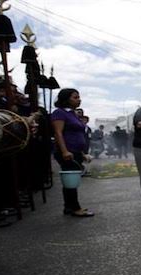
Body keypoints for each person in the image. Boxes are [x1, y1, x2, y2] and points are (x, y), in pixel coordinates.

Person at [51, 88, 94, 217]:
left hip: (75, 151)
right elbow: (58, 133)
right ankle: (75, 208)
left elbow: (77, 135)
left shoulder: (72, 114)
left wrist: (82, 153)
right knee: (71, 180)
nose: (79, 99)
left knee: (71, 180)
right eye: (75, 97)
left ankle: (69, 207)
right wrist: (64, 151)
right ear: (66, 99)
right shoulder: (59, 113)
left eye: (79, 97)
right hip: (67, 152)